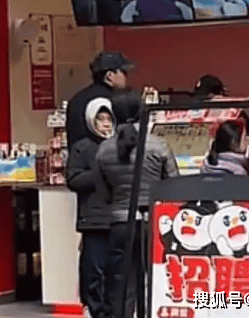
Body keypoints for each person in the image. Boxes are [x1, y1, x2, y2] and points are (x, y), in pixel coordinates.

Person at [96, 90, 179, 318]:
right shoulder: (159, 146)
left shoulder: (104, 150)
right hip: (153, 223)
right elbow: (173, 186)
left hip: (119, 223)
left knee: (122, 283)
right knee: (157, 278)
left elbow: (103, 193)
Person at [67, 99, 115, 318]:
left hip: (118, 217)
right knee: (93, 268)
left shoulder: (120, 146)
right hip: (93, 219)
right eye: (100, 119)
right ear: (90, 121)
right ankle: (92, 308)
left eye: (108, 119)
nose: (105, 124)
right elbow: (73, 180)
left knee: (116, 269)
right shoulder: (82, 148)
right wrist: (100, 171)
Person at [66, 52, 133, 148]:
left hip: (78, 156)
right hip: (106, 156)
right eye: (124, 72)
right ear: (110, 75)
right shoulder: (117, 100)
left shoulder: (75, 100)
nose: (126, 76)